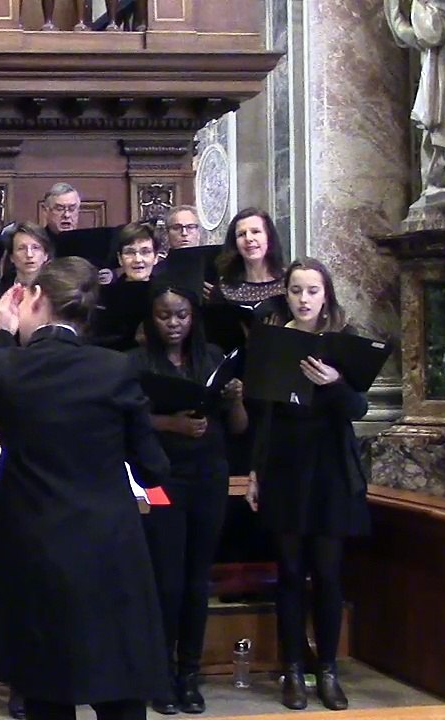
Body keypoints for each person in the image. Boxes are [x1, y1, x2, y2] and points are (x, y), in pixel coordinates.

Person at [0, 257, 170, 720]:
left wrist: (1, 327)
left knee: (45, 689)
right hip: (108, 547)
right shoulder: (114, 369)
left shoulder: (7, 370)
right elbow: (153, 468)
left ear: (36, 299)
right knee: (120, 687)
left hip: (36, 548)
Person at [245, 259, 369, 712]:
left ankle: (329, 671)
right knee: (291, 573)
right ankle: (293, 668)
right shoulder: (275, 342)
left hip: (331, 468)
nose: (303, 298)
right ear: (287, 295)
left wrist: (335, 383)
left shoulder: (344, 344)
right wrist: (255, 472)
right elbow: (263, 418)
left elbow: (356, 408)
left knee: (330, 574)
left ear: (326, 296)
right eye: (296, 290)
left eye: (312, 290)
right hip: (285, 467)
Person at [126, 283, 247, 715]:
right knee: (166, 580)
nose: (173, 324)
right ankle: (159, 676)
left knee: (197, 579)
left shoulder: (211, 357)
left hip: (209, 475)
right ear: (150, 318)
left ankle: (188, 675)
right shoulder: (137, 362)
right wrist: (169, 424)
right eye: (164, 316)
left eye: (181, 315)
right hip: (164, 476)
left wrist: (234, 401)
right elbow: (129, 418)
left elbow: (237, 427)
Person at [212, 208, 287, 305]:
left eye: (255, 231)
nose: (248, 238)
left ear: (269, 237)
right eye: (241, 234)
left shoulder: (288, 283)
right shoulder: (223, 289)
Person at [0, 222, 52, 311]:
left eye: (35, 248)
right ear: (11, 257)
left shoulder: (56, 293)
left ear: (45, 255)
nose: (29, 254)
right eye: (21, 248)